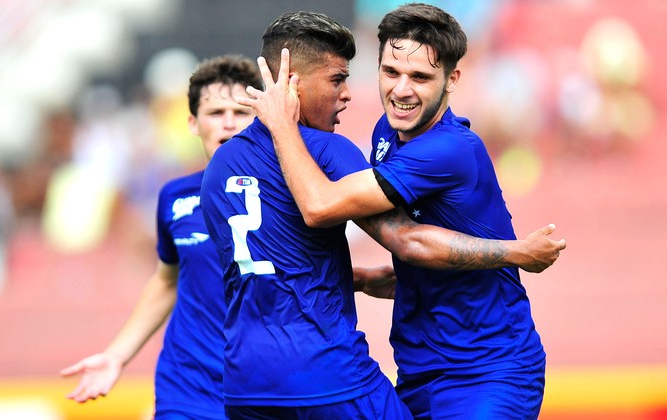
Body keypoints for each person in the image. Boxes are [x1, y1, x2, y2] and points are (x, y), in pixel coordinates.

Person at [203, 10, 564, 420]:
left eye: (420, 77)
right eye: (391, 72)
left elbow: (344, 215)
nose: (401, 90)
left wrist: (516, 253)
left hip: (487, 369)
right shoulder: (382, 135)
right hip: (418, 370)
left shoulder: (451, 148)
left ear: (452, 80)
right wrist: (360, 279)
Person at [59, 55, 262, 419]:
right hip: (188, 387)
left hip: (267, 387)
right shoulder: (175, 197)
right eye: (215, 113)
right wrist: (116, 355)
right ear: (192, 123)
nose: (229, 123)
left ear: (261, 119)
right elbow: (167, 281)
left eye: (241, 112)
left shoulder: (292, 194)